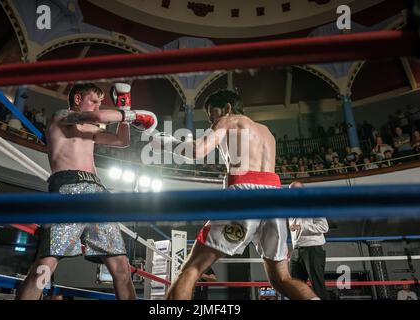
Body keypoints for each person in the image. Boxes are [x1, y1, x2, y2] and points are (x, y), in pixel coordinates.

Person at [154, 89, 318, 300]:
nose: (211, 119)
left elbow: (197, 151)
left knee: (191, 269)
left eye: (212, 113)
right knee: (282, 279)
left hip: (244, 193)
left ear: (227, 108)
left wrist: (165, 143)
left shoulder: (227, 120)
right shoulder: (266, 132)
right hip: (276, 198)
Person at [16, 83, 156, 300]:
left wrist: (127, 112)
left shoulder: (91, 130)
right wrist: (128, 113)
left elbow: (122, 141)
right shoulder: (62, 116)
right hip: (68, 187)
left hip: (98, 192)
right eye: (94, 101)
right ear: (78, 100)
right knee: (45, 266)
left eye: (100, 103)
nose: (98, 106)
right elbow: (96, 117)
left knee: (121, 268)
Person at [288, 181, 330, 300]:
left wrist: (303, 227)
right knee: (295, 286)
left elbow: (324, 227)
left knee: (318, 287)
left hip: (312, 249)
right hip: (296, 250)